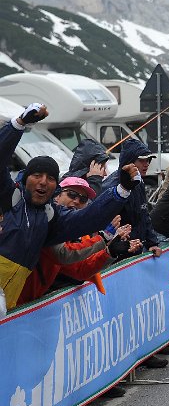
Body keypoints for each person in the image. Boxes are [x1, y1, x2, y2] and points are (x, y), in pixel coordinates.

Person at [1, 103, 140, 316]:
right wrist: (19, 124)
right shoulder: (9, 198)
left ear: (55, 188)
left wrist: (122, 189)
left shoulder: (50, 219)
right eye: (37, 175)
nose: (42, 182)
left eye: (49, 178)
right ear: (25, 179)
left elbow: (89, 219)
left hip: (12, 306)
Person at [101, 139, 163, 260]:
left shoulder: (138, 182)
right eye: (141, 160)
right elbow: (104, 227)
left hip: (136, 251)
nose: (147, 164)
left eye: (148, 160)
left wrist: (152, 243)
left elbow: (144, 214)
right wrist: (118, 247)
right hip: (116, 257)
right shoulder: (111, 187)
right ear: (129, 162)